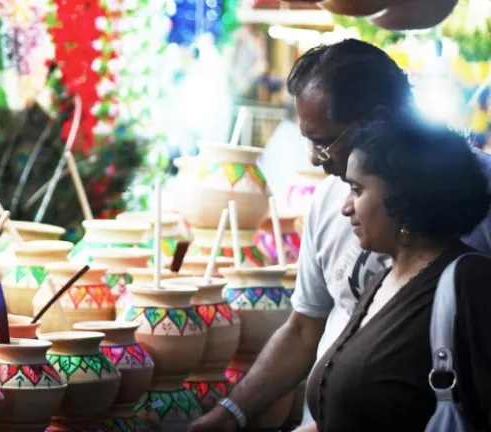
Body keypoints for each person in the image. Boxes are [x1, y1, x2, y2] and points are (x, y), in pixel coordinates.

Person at [188, 39, 491, 432]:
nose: (315, 158)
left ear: (375, 120)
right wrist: (231, 414)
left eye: (323, 141)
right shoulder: (332, 200)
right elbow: (303, 329)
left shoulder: (474, 216)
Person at [308, 115, 491, 430]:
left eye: (357, 189)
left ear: (402, 197)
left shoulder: (471, 283)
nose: (345, 207)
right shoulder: (384, 279)